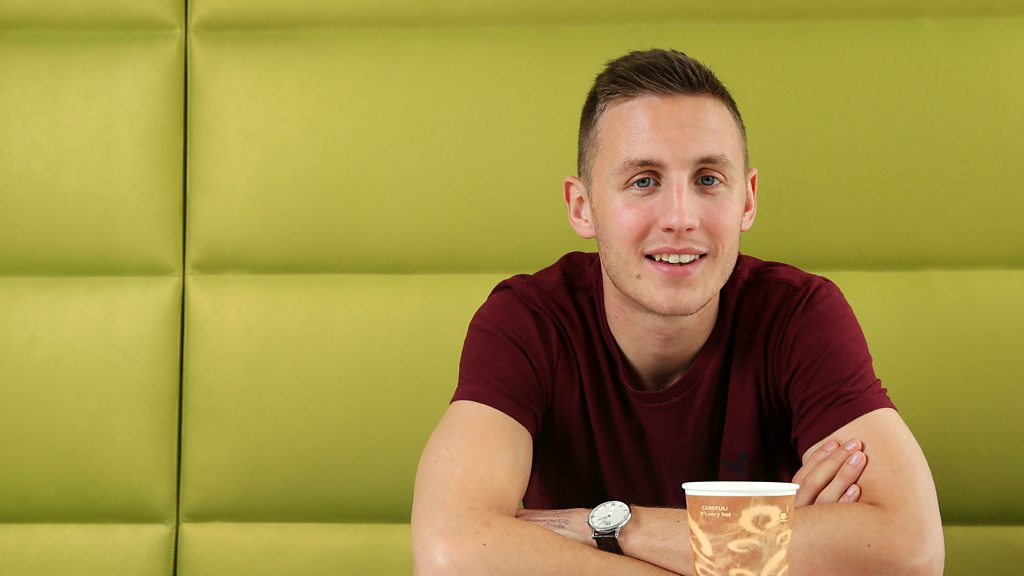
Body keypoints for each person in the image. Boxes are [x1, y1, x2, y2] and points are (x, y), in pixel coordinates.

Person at [411, 48, 944, 575]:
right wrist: (754, 549)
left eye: (708, 179)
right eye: (644, 181)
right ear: (582, 206)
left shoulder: (799, 315)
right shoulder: (527, 322)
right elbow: (451, 553)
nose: (680, 218)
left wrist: (610, 527)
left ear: (747, 200)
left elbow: (910, 550)